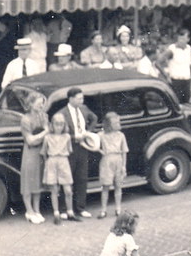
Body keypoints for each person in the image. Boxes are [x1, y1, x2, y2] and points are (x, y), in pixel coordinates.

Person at [58, 87, 98, 220]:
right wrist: (73, 136)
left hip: (83, 147)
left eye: (82, 98)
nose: (82, 100)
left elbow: (94, 118)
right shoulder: (62, 113)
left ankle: (80, 208)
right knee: (67, 178)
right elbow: (58, 129)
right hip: (70, 147)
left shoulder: (84, 109)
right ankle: (64, 209)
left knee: (82, 177)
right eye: (79, 98)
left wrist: (88, 132)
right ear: (71, 99)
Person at [19, 93, 49, 225]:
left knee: (38, 181)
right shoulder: (25, 119)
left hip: (41, 152)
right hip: (30, 152)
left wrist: (40, 136)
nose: (41, 105)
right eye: (38, 103)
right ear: (30, 104)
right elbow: (30, 140)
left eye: (42, 103)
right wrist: (44, 133)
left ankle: (37, 210)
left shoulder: (44, 117)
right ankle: (29, 211)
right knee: (28, 182)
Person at [42, 113, 75, 225]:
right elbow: (44, 153)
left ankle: (70, 212)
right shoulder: (47, 137)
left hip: (63, 162)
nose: (59, 127)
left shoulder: (67, 137)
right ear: (52, 125)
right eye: (57, 124)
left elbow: (69, 151)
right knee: (54, 190)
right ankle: (56, 213)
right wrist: (48, 163)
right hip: (52, 162)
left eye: (61, 124)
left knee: (68, 190)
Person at [97, 112, 128, 219]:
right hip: (106, 161)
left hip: (118, 160)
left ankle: (118, 208)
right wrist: (99, 150)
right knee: (105, 186)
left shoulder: (121, 135)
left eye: (118, 122)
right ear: (108, 124)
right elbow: (92, 143)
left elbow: (124, 151)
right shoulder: (101, 135)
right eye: (115, 123)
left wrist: (124, 166)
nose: (118, 124)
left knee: (118, 186)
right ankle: (103, 210)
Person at [162, 29, 191, 103]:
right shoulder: (172, 49)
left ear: (188, 39)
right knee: (176, 103)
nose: (180, 41)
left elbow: (189, 64)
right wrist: (166, 76)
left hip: (186, 81)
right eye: (179, 38)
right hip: (176, 81)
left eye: (183, 39)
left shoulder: (189, 48)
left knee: (186, 103)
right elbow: (158, 63)